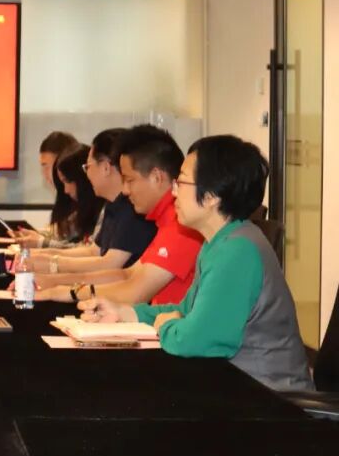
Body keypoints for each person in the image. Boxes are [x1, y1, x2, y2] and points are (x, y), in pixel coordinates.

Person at [79, 136, 313, 391]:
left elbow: (194, 340)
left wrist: (165, 325)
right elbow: (185, 310)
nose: (174, 192)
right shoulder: (220, 242)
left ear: (211, 196)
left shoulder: (237, 251)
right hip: (235, 386)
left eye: (181, 182)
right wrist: (124, 313)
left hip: (269, 398)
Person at [26, 124, 203, 306]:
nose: (125, 190)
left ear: (156, 177)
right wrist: (56, 282)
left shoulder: (181, 226)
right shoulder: (165, 220)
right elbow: (126, 274)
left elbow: (135, 291)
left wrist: (65, 288)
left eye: (129, 180)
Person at [25, 129, 156, 274]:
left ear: (106, 167)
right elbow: (94, 251)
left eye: (87, 167)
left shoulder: (133, 208)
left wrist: (53, 265)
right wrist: (45, 257)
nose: (86, 174)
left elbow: (110, 264)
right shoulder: (113, 205)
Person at [23, 131, 80, 248]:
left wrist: (40, 242)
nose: (44, 174)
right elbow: (60, 236)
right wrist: (37, 237)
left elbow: (82, 249)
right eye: (42, 167)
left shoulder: (83, 197)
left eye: (47, 166)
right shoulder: (64, 199)